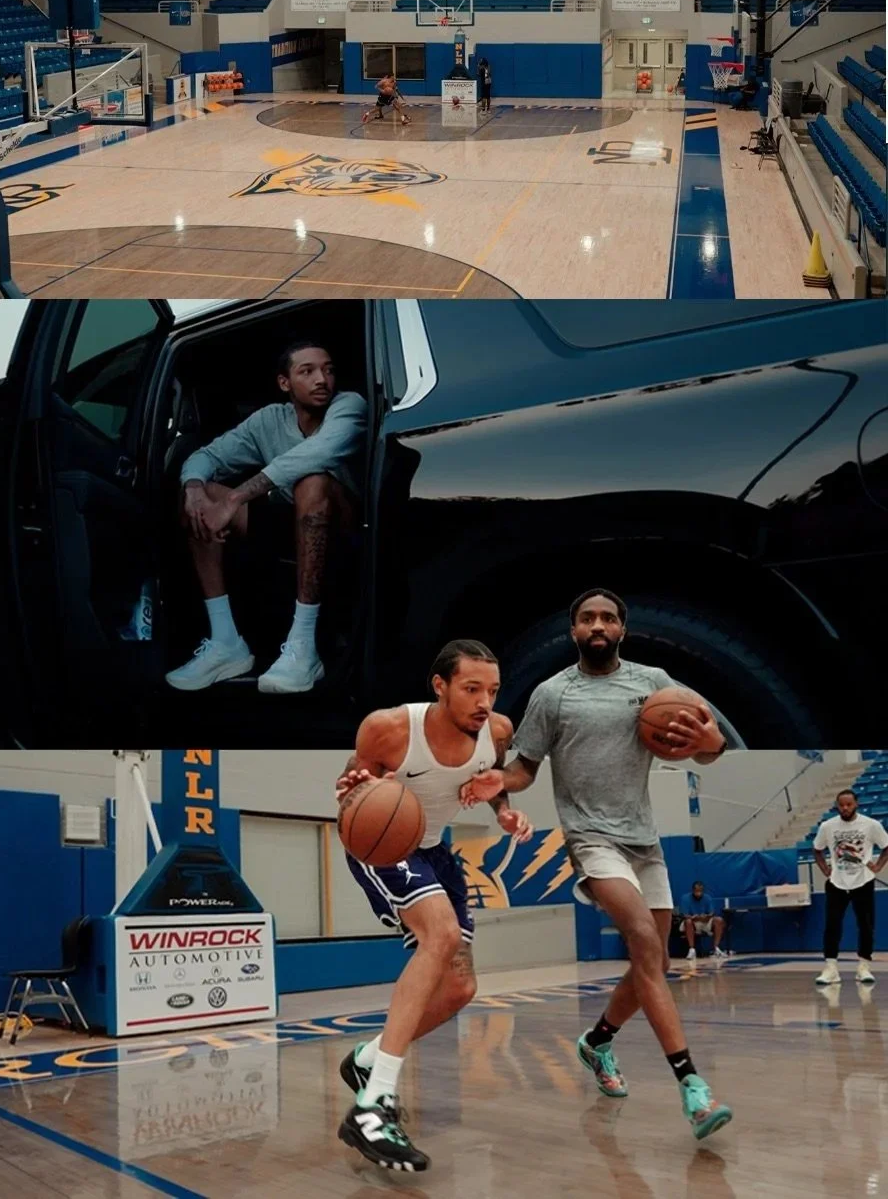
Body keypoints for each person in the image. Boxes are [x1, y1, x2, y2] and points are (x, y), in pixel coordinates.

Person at [461, 588, 734, 1141]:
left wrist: (712, 743)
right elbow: (525, 768)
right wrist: (499, 783)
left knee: (648, 962)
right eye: (588, 618)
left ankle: (598, 1040)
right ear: (574, 631)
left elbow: (707, 746)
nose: (598, 625)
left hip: (645, 841)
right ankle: (693, 1087)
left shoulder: (655, 682)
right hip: (590, 839)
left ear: (622, 630)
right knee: (643, 939)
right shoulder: (552, 694)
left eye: (608, 617)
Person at [334, 638, 532, 1173]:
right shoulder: (389, 728)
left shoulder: (498, 731)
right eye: (471, 689)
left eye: (491, 689)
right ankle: (373, 1107)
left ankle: (368, 1058)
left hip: (437, 852)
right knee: (439, 937)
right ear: (440, 686)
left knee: (461, 987)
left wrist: (505, 812)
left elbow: (495, 781)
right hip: (385, 845)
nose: (484, 701)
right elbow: (352, 788)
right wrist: (353, 786)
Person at [166, 340, 365, 695]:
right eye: (307, 371)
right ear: (285, 383)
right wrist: (195, 490)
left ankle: (303, 648)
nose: (322, 379)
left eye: (329, 369)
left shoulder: (349, 406)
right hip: (288, 523)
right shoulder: (269, 420)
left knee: (312, 480)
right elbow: (206, 456)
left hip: (347, 530)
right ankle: (226, 641)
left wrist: (237, 497)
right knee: (199, 498)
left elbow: (315, 453)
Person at [813, 789, 888, 986]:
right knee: (832, 925)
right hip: (837, 882)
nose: (845, 808)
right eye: (841, 805)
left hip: (862, 880)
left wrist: (878, 866)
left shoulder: (871, 825)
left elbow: (886, 846)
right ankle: (831, 968)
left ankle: (863, 966)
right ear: (837, 806)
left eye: (849, 804)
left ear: (856, 804)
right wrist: (824, 869)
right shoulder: (828, 826)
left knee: (865, 924)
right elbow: (817, 849)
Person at [678, 881, 726, 965]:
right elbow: (684, 915)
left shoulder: (707, 898)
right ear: (693, 890)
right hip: (692, 922)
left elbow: (711, 913)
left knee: (719, 920)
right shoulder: (685, 898)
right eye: (696, 891)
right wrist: (694, 917)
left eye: (700, 891)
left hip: (704, 922)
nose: (698, 893)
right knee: (688, 922)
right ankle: (692, 950)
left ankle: (716, 949)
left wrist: (706, 917)